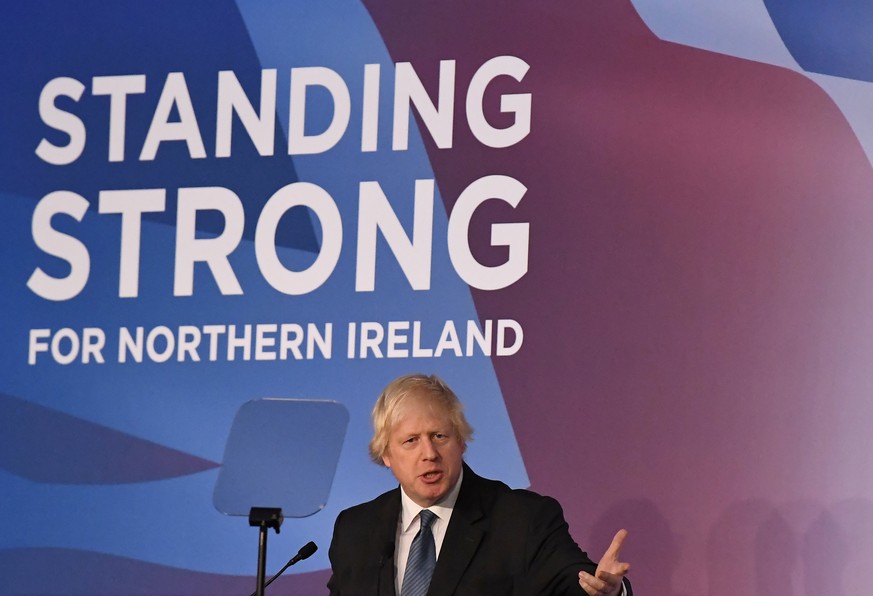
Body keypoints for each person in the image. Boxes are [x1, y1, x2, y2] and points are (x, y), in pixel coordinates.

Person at [327, 373, 632, 596]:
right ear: (386, 455)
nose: (429, 454)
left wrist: (609, 592)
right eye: (411, 441)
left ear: (461, 441)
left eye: (439, 436)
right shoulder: (356, 530)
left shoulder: (520, 519)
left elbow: (576, 582)